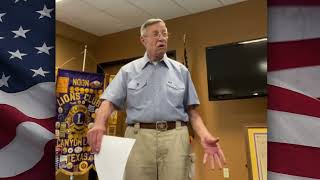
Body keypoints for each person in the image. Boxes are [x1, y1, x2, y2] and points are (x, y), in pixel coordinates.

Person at [87, 18, 226, 180]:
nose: (161, 37)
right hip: (139, 138)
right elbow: (108, 102)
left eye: (164, 33)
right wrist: (99, 123)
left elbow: (192, 112)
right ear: (143, 40)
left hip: (175, 137)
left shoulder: (181, 71)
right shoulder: (128, 71)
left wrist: (204, 135)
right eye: (155, 34)